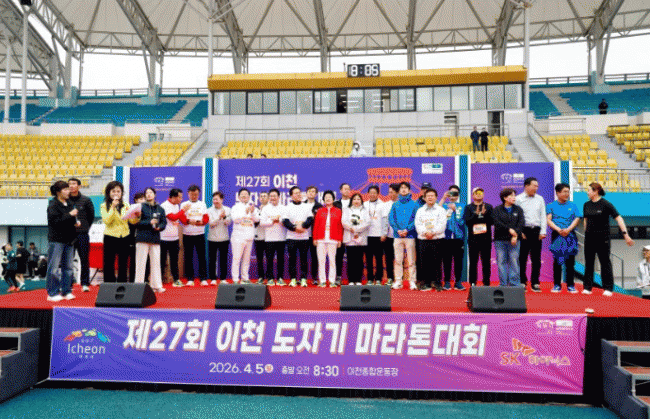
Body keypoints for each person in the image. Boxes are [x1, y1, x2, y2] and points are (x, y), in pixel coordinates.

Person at [582, 182, 634, 296]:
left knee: (605, 263)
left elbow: (619, 218)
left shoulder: (606, 204)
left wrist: (625, 235)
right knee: (589, 263)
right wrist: (586, 233)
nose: (587, 192)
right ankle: (587, 287)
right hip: (589, 239)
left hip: (603, 239)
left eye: (589, 190)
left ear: (596, 191)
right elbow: (585, 220)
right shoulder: (586, 204)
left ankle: (608, 288)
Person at [46, 180, 78, 302]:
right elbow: (55, 222)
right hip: (56, 240)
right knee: (53, 268)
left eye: (68, 189)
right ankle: (52, 293)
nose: (68, 191)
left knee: (68, 267)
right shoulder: (53, 205)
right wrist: (70, 214)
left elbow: (69, 219)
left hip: (69, 240)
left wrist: (75, 222)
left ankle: (66, 291)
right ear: (58, 192)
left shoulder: (69, 203)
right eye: (65, 189)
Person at [547, 183, 580, 293]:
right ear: (558, 193)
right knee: (557, 261)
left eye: (568, 191)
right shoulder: (551, 206)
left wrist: (568, 229)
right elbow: (549, 220)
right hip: (557, 234)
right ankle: (557, 285)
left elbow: (577, 219)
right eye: (565, 191)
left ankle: (571, 285)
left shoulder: (573, 205)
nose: (567, 194)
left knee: (570, 261)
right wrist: (559, 230)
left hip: (570, 234)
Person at [516, 177, 547, 292]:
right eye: (534, 186)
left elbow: (543, 215)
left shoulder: (540, 199)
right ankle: (522, 282)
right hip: (524, 231)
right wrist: (520, 232)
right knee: (522, 258)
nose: (536, 188)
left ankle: (535, 282)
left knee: (536, 259)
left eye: (537, 186)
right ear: (526, 186)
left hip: (536, 231)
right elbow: (516, 217)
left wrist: (543, 231)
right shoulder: (518, 199)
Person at [133, 187, 167, 293]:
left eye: (151, 192)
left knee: (156, 263)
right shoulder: (140, 207)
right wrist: (149, 222)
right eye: (146, 193)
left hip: (155, 238)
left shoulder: (160, 209)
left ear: (155, 194)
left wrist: (160, 227)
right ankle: (138, 286)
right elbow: (136, 223)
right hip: (142, 238)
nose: (148, 194)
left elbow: (164, 222)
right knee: (140, 263)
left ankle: (157, 286)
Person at [415, 189, 447, 291]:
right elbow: (418, 224)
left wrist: (432, 232)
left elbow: (442, 224)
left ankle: (437, 282)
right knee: (424, 262)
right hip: (423, 239)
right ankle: (426, 283)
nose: (430, 197)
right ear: (424, 198)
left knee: (437, 262)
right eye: (428, 196)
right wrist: (425, 233)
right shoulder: (420, 211)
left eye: (432, 195)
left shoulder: (441, 210)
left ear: (436, 197)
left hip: (437, 239)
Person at [100, 181, 131, 284]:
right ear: (108, 192)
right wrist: (112, 207)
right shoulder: (104, 205)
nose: (116, 193)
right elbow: (107, 220)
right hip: (110, 236)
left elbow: (132, 221)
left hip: (125, 236)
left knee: (123, 262)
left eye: (118, 191)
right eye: (113, 191)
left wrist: (137, 215)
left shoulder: (126, 204)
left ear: (122, 193)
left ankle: (122, 284)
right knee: (109, 262)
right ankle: (109, 285)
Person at [389, 182, 419, 290]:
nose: (403, 189)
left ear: (409, 190)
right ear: (399, 191)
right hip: (397, 236)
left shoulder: (414, 204)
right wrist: (397, 230)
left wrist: (407, 230)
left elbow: (416, 219)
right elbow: (391, 219)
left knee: (411, 260)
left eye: (405, 187)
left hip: (410, 236)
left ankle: (412, 281)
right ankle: (398, 281)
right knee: (398, 260)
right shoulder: (395, 204)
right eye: (401, 188)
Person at [283, 186, 314, 288]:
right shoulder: (288, 207)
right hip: (291, 237)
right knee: (292, 259)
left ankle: (303, 279)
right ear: (291, 196)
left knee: (304, 259)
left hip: (304, 237)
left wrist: (303, 227)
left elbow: (310, 219)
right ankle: (293, 279)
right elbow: (285, 221)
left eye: (299, 192)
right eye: (296, 193)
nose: (298, 195)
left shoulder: (306, 206)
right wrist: (295, 228)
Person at [493, 188, 525, 287]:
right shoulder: (497, 209)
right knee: (501, 262)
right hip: (500, 240)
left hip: (515, 240)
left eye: (514, 195)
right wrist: (509, 230)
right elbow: (497, 223)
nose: (514, 197)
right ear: (505, 198)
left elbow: (521, 223)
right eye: (511, 195)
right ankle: (503, 284)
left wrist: (515, 235)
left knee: (514, 261)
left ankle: (514, 284)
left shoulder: (518, 209)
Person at [68, 177, 95, 292]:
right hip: (68, 235)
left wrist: (84, 227)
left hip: (82, 234)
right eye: (69, 184)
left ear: (79, 186)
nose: (71, 186)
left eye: (74, 184)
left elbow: (91, 217)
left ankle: (84, 283)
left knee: (84, 259)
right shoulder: (65, 200)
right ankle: (68, 284)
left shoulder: (86, 200)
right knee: (68, 260)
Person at [179, 185, 209, 286]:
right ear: (188, 194)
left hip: (200, 234)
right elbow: (181, 218)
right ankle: (190, 279)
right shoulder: (184, 204)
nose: (194, 196)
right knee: (188, 257)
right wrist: (188, 221)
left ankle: (203, 278)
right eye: (192, 194)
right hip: (187, 234)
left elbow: (206, 218)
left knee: (202, 257)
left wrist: (202, 222)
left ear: (198, 194)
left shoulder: (202, 204)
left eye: (196, 194)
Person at [464, 187, 494, 286]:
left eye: (481, 192)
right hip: (473, 239)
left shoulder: (489, 207)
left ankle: (486, 282)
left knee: (486, 262)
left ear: (483, 195)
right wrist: (475, 215)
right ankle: (473, 282)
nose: (479, 194)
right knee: (473, 262)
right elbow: (467, 222)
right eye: (476, 193)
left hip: (486, 239)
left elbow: (492, 221)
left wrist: (485, 214)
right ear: (472, 195)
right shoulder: (468, 207)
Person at [313, 191, 343, 287]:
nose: (328, 199)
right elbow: (316, 225)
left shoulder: (338, 211)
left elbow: (340, 226)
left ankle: (332, 281)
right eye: (326, 197)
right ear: (323, 199)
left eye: (330, 197)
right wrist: (315, 238)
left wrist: (339, 240)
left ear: (333, 199)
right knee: (321, 261)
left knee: (332, 261)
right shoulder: (320, 211)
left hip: (333, 238)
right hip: (321, 239)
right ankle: (322, 281)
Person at [230, 188, 260, 284]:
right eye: (242, 194)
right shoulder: (235, 207)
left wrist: (252, 212)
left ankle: (245, 278)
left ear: (249, 196)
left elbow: (257, 219)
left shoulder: (253, 208)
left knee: (246, 260)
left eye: (246, 194)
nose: (244, 196)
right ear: (238, 197)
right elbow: (235, 219)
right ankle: (235, 279)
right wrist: (245, 212)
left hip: (249, 237)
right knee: (236, 259)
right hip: (238, 237)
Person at [439, 185, 467, 290]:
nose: (453, 195)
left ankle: (458, 282)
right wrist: (443, 198)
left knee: (458, 261)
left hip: (458, 237)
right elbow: (436, 212)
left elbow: (462, 222)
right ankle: (446, 282)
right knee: (446, 260)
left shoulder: (463, 206)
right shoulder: (444, 205)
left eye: (455, 193)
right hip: (445, 237)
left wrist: (455, 211)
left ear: (458, 195)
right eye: (451, 193)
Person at [342, 193, 370, 285]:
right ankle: (351, 280)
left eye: (358, 199)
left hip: (360, 237)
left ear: (361, 201)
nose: (356, 201)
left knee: (359, 260)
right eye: (354, 199)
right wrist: (351, 229)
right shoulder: (347, 210)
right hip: (350, 237)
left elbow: (367, 222)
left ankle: (358, 280)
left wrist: (357, 230)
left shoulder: (365, 210)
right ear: (351, 201)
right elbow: (344, 221)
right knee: (351, 260)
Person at [261, 189, 287, 286]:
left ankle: (280, 278)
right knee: (269, 259)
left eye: (274, 196)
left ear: (279, 197)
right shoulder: (265, 209)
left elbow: (286, 221)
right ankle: (270, 278)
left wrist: (279, 220)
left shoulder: (284, 208)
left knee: (281, 259)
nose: (273, 198)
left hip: (281, 238)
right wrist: (272, 221)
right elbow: (262, 223)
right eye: (271, 196)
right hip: (269, 238)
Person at [160, 188, 184, 287]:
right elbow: (172, 217)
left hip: (174, 238)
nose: (181, 199)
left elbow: (177, 218)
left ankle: (176, 280)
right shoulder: (164, 205)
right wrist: (183, 210)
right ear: (174, 197)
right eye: (180, 197)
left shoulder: (177, 206)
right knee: (161, 260)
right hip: (163, 238)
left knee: (174, 261)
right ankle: (159, 281)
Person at [207, 191, 231, 285]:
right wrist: (219, 217)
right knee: (212, 259)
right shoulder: (209, 210)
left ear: (222, 200)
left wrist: (224, 217)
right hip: (212, 238)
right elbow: (211, 224)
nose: (215, 201)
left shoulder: (227, 210)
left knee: (223, 259)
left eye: (217, 199)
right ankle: (213, 278)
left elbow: (228, 223)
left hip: (224, 238)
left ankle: (223, 278)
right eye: (214, 199)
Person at [364, 186, 386, 285]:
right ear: (368, 193)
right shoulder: (364, 204)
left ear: (378, 194)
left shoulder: (382, 205)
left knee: (379, 259)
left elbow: (385, 220)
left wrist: (384, 233)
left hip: (378, 236)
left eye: (374, 192)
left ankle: (378, 279)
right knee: (368, 258)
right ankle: (369, 278)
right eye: (371, 192)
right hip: (367, 235)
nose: (372, 194)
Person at [334, 183, 351, 284]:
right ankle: (338, 277)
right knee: (338, 256)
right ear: (340, 191)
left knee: (351, 256)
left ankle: (351, 278)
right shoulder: (336, 204)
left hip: (351, 232)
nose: (347, 191)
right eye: (345, 189)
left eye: (348, 189)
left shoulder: (354, 202)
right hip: (339, 232)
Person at [304, 186, 322, 285]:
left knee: (315, 257)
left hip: (315, 236)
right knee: (303, 257)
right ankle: (304, 278)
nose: (311, 193)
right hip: (303, 235)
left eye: (313, 191)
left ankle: (315, 277)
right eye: (309, 191)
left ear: (316, 194)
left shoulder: (319, 206)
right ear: (306, 193)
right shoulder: (301, 205)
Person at [382, 183, 399, 287]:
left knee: (399, 259)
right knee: (389, 258)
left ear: (397, 193)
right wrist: (384, 234)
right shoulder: (386, 205)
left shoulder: (402, 204)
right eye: (389, 192)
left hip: (401, 236)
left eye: (392, 192)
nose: (390, 194)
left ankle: (399, 279)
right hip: (389, 236)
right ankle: (390, 278)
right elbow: (384, 221)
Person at [128, 193, 146, 282]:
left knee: (144, 261)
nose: (142, 200)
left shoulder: (147, 209)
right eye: (140, 199)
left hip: (144, 238)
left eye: (143, 199)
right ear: (136, 200)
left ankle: (144, 280)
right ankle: (132, 280)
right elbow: (131, 223)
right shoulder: (131, 209)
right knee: (133, 260)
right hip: (133, 239)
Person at [254, 191, 269, 283]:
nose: (263, 197)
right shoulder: (255, 210)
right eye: (261, 196)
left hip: (269, 238)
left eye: (265, 196)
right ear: (259, 198)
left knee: (269, 259)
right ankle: (261, 277)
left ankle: (269, 277)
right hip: (258, 237)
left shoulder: (271, 209)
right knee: (259, 259)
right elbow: (255, 222)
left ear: (268, 198)